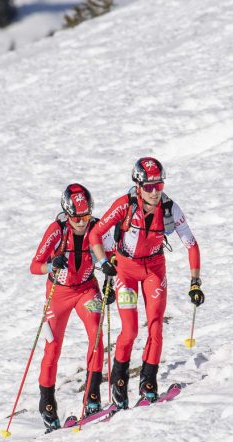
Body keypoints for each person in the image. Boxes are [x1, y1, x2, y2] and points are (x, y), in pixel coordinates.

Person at [89, 157, 203, 408]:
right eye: (149, 187)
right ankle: (119, 382)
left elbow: (191, 244)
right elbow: (95, 233)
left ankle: (148, 382)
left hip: (154, 269)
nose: (154, 192)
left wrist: (195, 282)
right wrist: (104, 263)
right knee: (130, 330)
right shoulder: (124, 205)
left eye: (159, 185)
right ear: (138, 186)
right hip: (126, 271)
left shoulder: (171, 208)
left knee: (156, 327)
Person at [30, 183, 115, 432]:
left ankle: (92, 397)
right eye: (77, 217)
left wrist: (110, 284)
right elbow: (35, 266)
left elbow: (112, 258)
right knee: (52, 347)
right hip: (59, 292)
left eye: (86, 216)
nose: (81, 222)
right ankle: (47, 404)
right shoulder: (56, 231)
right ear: (67, 214)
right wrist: (51, 265)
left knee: (97, 337)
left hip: (87, 289)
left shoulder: (97, 228)